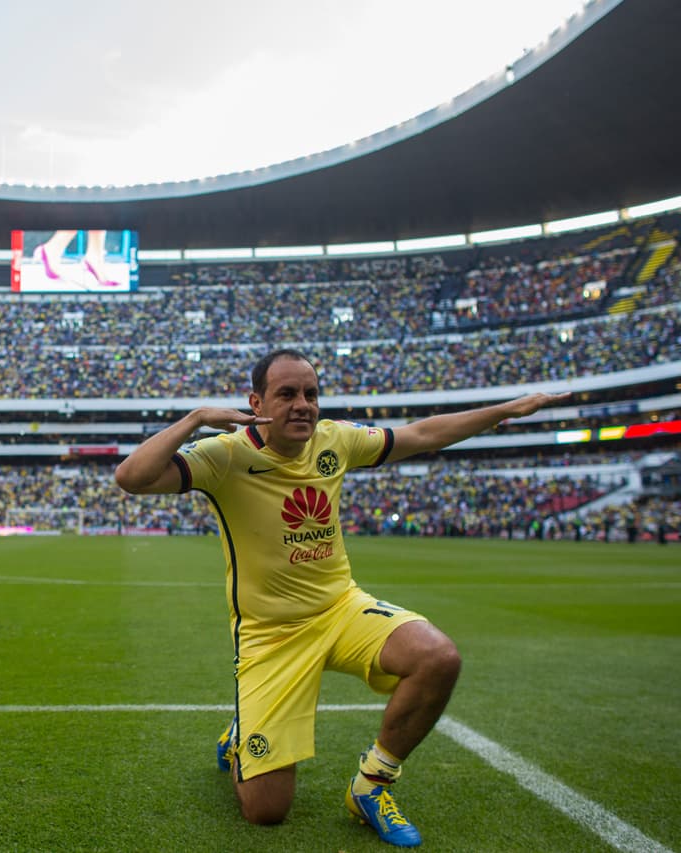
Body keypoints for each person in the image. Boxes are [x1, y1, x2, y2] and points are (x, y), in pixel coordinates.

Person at [114, 348, 570, 848]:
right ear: (256, 401)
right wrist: (197, 418)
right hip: (272, 636)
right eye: (287, 394)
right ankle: (242, 731)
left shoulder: (336, 440)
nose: (303, 404)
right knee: (266, 812)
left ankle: (371, 786)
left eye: (311, 393)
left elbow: (421, 434)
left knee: (438, 656)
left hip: (341, 609)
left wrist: (504, 411)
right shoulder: (225, 456)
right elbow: (131, 478)